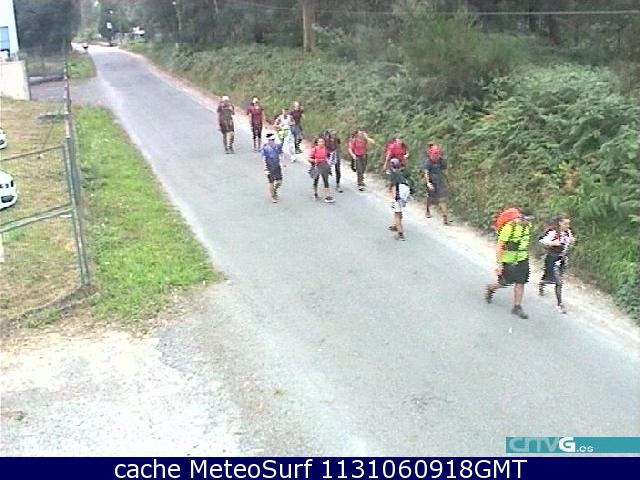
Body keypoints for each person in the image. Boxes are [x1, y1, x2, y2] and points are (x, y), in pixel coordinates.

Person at [485, 208, 532, 319]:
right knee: (505, 282)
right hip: (508, 259)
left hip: (522, 258)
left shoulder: (527, 226)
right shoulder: (509, 227)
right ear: (521, 217)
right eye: (527, 219)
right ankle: (491, 288)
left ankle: (517, 306)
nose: (529, 222)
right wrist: (499, 263)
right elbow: (500, 245)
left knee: (521, 281)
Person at [538, 215, 576, 314]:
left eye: (568, 224)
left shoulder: (568, 232)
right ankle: (559, 303)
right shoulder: (553, 232)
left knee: (557, 280)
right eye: (565, 223)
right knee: (558, 281)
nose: (567, 225)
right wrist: (553, 243)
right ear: (560, 223)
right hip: (552, 258)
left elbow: (569, 244)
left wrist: (572, 242)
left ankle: (543, 283)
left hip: (562, 259)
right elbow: (541, 240)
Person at [423, 143, 450, 225]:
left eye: (437, 154)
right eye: (434, 154)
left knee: (442, 198)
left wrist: (448, 181)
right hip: (431, 182)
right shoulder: (428, 161)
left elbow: (445, 172)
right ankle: (427, 210)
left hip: (439, 182)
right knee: (430, 198)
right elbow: (426, 173)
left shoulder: (441, 161)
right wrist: (428, 183)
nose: (436, 156)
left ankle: (445, 216)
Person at [387, 158, 410, 241]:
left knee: (396, 213)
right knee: (399, 210)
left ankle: (400, 234)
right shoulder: (401, 172)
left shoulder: (393, 174)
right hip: (406, 190)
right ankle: (396, 225)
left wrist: (394, 199)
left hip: (399, 191)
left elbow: (393, 186)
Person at [309, 137, 335, 203]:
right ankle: (315, 193)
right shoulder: (314, 149)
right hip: (317, 166)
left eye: (322, 142)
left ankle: (327, 196)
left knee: (326, 180)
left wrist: (329, 162)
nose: (321, 143)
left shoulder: (325, 149)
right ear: (317, 143)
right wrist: (315, 160)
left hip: (324, 166)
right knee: (316, 180)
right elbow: (309, 158)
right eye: (320, 142)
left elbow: (329, 156)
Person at [261, 133, 284, 203]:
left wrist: (282, 163)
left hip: (277, 166)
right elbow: (263, 158)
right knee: (271, 182)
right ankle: (273, 196)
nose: (271, 141)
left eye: (272, 140)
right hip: (269, 166)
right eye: (270, 140)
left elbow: (281, 154)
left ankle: (274, 190)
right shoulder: (265, 148)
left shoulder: (277, 146)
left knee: (279, 182)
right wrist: (265, 168)